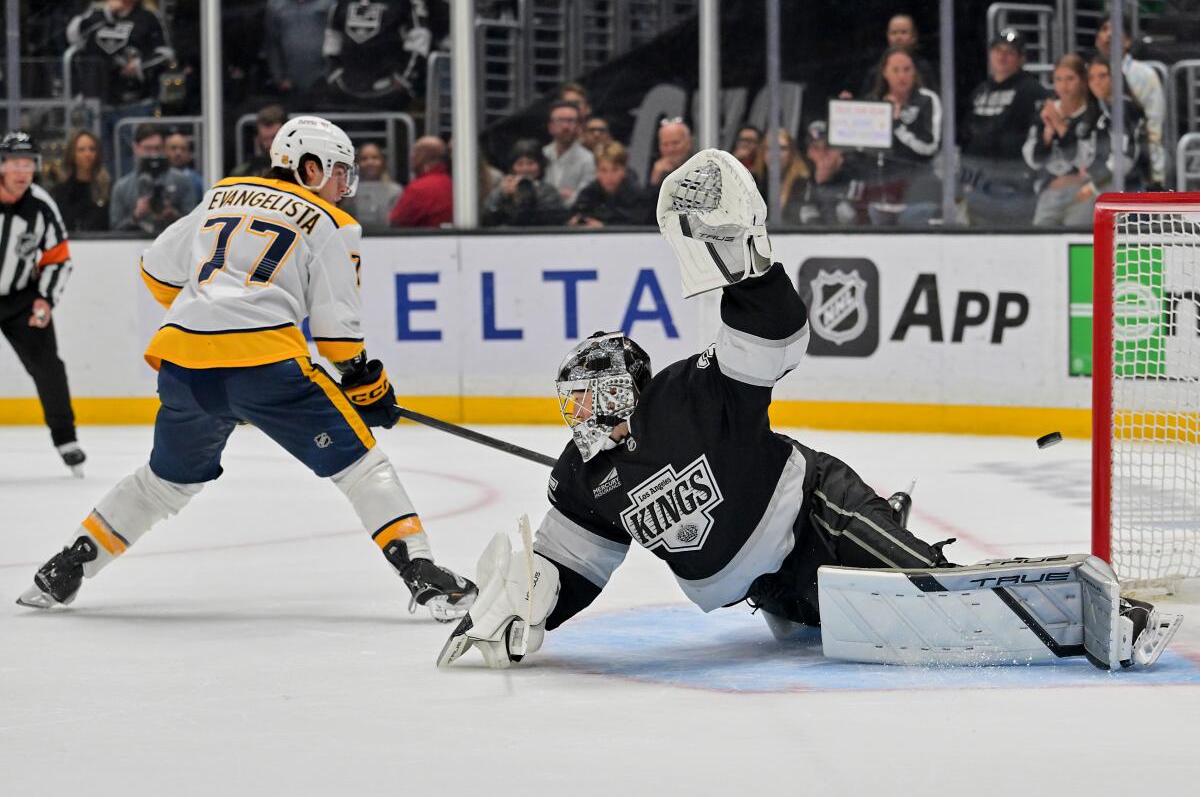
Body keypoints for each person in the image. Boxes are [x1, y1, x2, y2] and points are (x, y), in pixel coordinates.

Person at [439, 149, 1180, 673]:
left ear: (624, 389)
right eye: (571, 403)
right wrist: (533, 610)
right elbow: (577, 562)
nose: (578, 414)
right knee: (892, 626)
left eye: (589, 397)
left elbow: (774, 335)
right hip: (772, 590)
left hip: (819, 513)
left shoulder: (689, 394)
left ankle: (1096, 616)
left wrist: (745, 263)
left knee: (931, 594)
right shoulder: (584, 476)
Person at [15, 116, 477, 621]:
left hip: (184, 363)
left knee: (164, 482)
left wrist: (212, 307)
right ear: (307, 167)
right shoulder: (331, 223)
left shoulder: (222, 194)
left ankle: (66, 567)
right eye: (338, 171)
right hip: (266, 366)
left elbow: (155, 267)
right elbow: (338, 333)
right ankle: (423, 573)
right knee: (363, 467)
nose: (345, 185)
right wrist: (365, 381)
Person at [0, 132, 86, 475]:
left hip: (23, 297)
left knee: (48, 365)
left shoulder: (40, 205)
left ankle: (67, 441)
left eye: (28, 163)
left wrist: (45, 299)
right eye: (14, 163)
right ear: (1, 166)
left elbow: (58, 257)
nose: (22, 171)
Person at [66, 0, 175, 176]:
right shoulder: (95, 14)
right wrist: (105, 14)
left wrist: (140, 66)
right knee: (98, 161)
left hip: (136, 103)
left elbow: (166, 54)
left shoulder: (149, 17)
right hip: (98, 104)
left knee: (132, 164)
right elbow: (73, 36)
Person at [959, 30, 1048, 227]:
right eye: (998, 50)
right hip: (977, 181)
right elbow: (966, 133)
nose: (1002, 56)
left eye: (1009, 52)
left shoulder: (1031, 90)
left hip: (1012, 180)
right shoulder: (980, 91)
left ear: (1021, 59)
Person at [862, 46, 942, 226]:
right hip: (880, 195)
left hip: (917, 195)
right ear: (884, 73)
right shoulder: (873, 102)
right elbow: (862, 146)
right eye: (895, 70)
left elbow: (930, 147)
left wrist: (898, 125)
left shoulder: (926, 100)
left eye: (907, 69)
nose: (902, 76)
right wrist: (847, 113)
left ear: (915, 72)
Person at [1023, 54, 1103, 227]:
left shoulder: (1093, 114)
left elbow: (1085, 159)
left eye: (1070, 79)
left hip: (1083, 192)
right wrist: (1047, 134)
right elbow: (1033, 160)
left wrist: (1059, 124)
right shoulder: (1045, 112)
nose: (1064, 86)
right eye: (1058, 79)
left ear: (1082, 81)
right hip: (1049, 191)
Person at [1095, 14, 1166, 188]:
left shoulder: (1144, 75)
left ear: (1127, 41)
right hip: (1098, 168)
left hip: (1138, 168)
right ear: (1097, 40)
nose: (1109, 35)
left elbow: (1154, 128)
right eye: (1104, 29)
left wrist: (1156, 175)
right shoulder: (1091, 74)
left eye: (1116, 31)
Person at [323, 0, 432, 107]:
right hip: (347, 85)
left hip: (389, 85)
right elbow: (332, 37)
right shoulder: (342, 0)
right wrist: (334, 74)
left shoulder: (408, 0)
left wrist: (403, 79)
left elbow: (419, 40)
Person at [109, 124, 199, 234]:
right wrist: (136, 216)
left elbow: (194, 224)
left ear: (164, 148)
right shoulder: (122, 187)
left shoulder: (183, 181)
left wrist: (172, 214)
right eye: (147, 149)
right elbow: (115, 229)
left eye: (157, 148)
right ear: (136, 148)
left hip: (172, 243)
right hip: (133, 245)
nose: (153, 154)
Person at [1087, 56, 1148, 191]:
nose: (1096, 82)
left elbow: (1126, 153)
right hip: (1110, 183)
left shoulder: (1123, 108)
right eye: (1091, 78)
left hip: (1127, 187)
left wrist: (1095, 184)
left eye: (1102, 76)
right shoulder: (1103, 109)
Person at [481, 139, 568, 227]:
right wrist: (503, 195)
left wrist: (528, 198)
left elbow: (553, 219)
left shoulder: (549, 192)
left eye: (531, 163)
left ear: (540, 166)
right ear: (513, 167)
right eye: (520, 164)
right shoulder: (503, 189)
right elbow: (486, 217)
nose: (525, 169)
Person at [264, 0, 335, 102]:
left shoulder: (330, 1)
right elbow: (272, 43)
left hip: (324, 79)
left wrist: (333, 76)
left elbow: (338, 38)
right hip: (290, 83)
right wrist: (278, 77)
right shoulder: (275, 3)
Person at [853, 13, 937, 97]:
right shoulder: (875, 71)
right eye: (894, 33)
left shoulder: (924, 68)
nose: (898, 37)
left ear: (914, 36)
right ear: (888, 36)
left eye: (903, 32)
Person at [568, 142, 647, 227]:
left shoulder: (637, 197)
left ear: (624, 170)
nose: (609, 177)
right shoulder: (588, 193)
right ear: (596, 172)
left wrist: (604, 227)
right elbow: (574, 215)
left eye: (615, 170)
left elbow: (637, 225)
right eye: (603, 170)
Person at [51, 130, 111, 233]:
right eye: (81, 150)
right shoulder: (60, 191)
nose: (88, 154)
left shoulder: (106, 188)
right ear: (72, 154)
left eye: (92, 149)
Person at [389, 135, 452, 228]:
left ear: (422, 156)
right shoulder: (452, 183)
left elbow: (395, 223)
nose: (411, 157)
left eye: (414, 152)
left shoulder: (419, 189)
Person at [542, 101, 595, 207]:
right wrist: (565, 195)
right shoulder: (541, 154)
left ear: (578, 126)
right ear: (551, 127)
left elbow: (584, 199)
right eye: (560, 121)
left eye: (571, 121)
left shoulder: (589, 160)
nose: (566, 126)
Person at [341, 142, 403, 231]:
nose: (370, 162)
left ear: (383, 161)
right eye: (364, 159)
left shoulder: (395, 190)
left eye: (375, 158)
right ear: (357, 163)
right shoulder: (348, 190)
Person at [230, 105, 288, 179]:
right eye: (265, 139)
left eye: (274, 137)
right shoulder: (242, 173)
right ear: (257, 139)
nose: (270, 144)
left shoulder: (299, 169)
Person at [164, 131, 204, 198]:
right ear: (165, 151)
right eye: (173, 148)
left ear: (189, 154)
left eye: (183, 149)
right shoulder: (159, 178)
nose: (178, 153)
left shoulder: (197, 181)